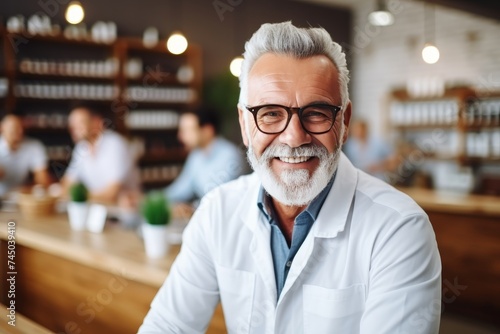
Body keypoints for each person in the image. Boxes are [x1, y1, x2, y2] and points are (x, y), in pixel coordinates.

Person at [139, 22, 441, 334]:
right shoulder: (217, 210)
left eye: (316, 113)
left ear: (345, 122)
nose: (294, 138)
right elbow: (168, 325)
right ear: (244, 125)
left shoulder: (399, 228)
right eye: (270, 113)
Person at [165, 105, 247, 217]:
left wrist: (191, 209)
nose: (180, 136)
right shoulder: (196, 155)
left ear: (207, 131)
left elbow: (217, 199)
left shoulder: (230, 156)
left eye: (187, 130)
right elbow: (182, 188)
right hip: (205, 216)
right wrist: (151, 198)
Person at [61, 102, 139, 204]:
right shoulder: (81, 148)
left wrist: (79, 195)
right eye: (72, 124)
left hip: (124, 212)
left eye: (80, 123)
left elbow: (111, 194)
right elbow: (67, 184)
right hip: (98, 209)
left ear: (97, 122)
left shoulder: (115, 144)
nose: (73, 129)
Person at [0, 114, 51, 196]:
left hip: (23, 197)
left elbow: (42, 179)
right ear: (2, 127)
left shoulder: (34, 146)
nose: (20, 131)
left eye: (22, 127)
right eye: (15, 127)